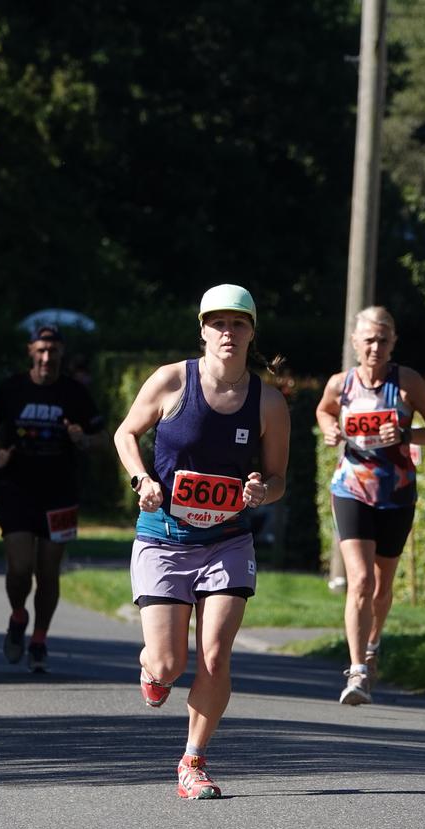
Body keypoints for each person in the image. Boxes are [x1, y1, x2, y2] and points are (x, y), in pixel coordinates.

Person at [113, 284, 290, 800]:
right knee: (168, 661)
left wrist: (261, 491)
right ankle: (154, 669)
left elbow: (278, 478)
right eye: (218, 323)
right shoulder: (172, 380)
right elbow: (126, 433)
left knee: (215, 654)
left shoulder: (268, 401)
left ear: (252, 331)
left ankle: (192, 761)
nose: (227, 333)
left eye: (238, 324)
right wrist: (141, 480)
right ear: (203, 330)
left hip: (228, 540)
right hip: (165, 538)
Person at [316, 307, 425, 705]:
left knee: (382, 584)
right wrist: (329, 430)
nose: (375, 347)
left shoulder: (406, 382)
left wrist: (405, 432)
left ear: (393, 343)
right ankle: (356, 671)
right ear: (354, 342)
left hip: (397, 492)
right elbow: (323, 410)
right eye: (368, 339)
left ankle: (372, 644)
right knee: (361, 581)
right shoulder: (342, 384)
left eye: (383, 340)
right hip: (351, 488)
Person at [0, 326, 104, 672]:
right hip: (17, 490)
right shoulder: (12, 388)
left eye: (53, 351)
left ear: (61, 354)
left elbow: (104, 437)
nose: (46, 357)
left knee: (49, 570)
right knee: (21, 567)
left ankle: (39, 639)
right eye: (40, 350)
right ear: (30, 351)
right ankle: (18, 615)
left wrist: (84, 439)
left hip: (61, 493)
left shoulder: (75, 393)